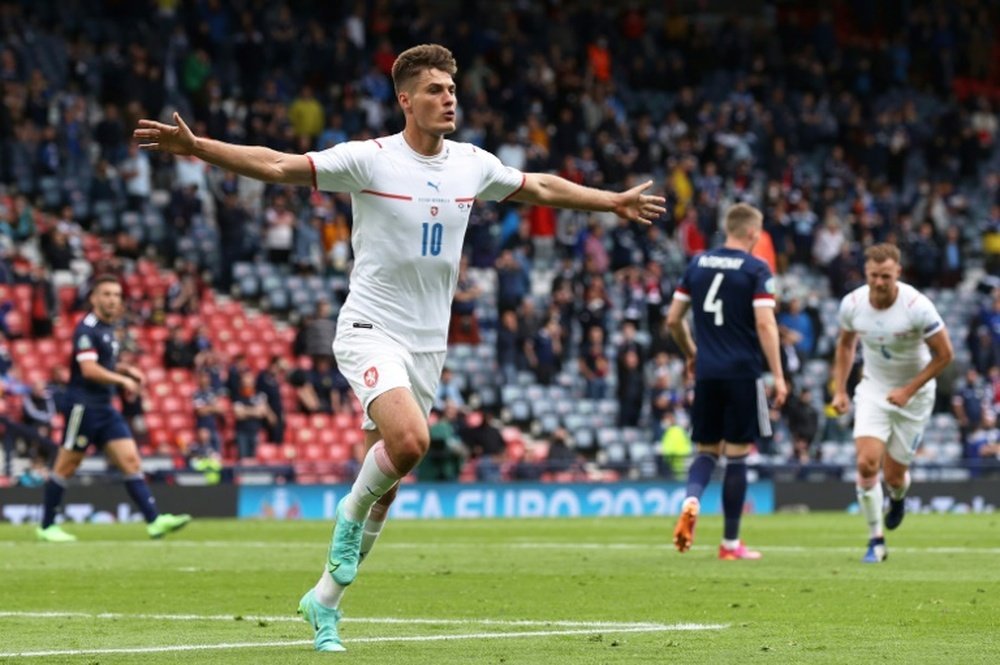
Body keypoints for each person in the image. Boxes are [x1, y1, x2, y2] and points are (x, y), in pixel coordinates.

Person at [135, 43, 664, 652]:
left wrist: (613, 201)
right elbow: (278, 165)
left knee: (389, 482)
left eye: (452, 89)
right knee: (411, 443)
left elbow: (540, 186)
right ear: (405, 100)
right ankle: (345, 518)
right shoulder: (370, 159)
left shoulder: (472, 163)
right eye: (436, 90)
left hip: (427, 345)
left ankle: (324, 603)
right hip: (370, 328)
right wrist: (198, 147)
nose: (449, 98)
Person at [665, 203, 787, 560]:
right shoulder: (755, 269)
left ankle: (691, 498)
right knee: (736, 457)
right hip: (742, 373)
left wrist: (691, 353)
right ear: (753, 233)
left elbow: (673, 320)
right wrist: (778, 375)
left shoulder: (697, 264)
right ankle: (730, 545)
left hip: (707, 373)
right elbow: (765, 324)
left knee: (706, 450)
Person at [36, 275, 191, 542]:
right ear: (94, 298)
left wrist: (124, 368)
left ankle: (154, 521)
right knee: (66, 466)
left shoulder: (110, 328)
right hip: (83, 406)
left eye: (116, 295)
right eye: (106, 294)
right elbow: (88, 369)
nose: (112, 300)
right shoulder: (87, 328)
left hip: (105, 407)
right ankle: (47, 526)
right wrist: (123, 379)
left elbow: (103, 364)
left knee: (130, 460)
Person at [831, 243, 954, 563]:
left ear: (898, 272)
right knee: (866, 462)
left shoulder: (917, 306)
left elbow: (945, 355)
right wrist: (840, 390)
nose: (879, 282)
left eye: (886, 276)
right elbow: (845, 346)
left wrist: (908, 390)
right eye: (874, 275)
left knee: (895, 476)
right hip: (873, 389)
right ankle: (876, 541)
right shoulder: (853, 304)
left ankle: (898, 498)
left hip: (914, 397)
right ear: (866, 273)